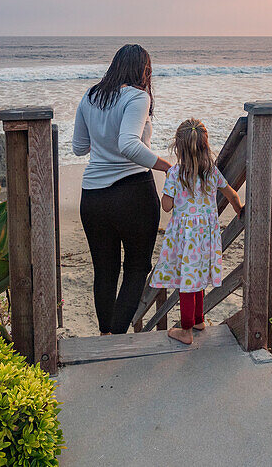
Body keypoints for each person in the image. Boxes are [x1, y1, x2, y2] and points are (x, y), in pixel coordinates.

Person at [73, 44, 172, 335]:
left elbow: (79, 148)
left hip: (93, 197)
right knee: (137, 268)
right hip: (133, 194)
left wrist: (102, 140)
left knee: (104, 271)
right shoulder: (137, 97)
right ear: (143, 70)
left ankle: (105, 335)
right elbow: (129, 145)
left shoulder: (90, 96)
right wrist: (168, 167)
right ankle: (116, 336)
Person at [149, 118, 243, 345]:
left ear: (179, 147)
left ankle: (186, 330)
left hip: (185, 236)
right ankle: (199, 319)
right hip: (207, 235)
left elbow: (167, 206)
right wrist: (241, 211)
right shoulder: (212, 172)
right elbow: (232, 195)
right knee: (197, 275)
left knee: (186, 281)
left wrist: (166, 189)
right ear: (205, 145)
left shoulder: (175, 174)